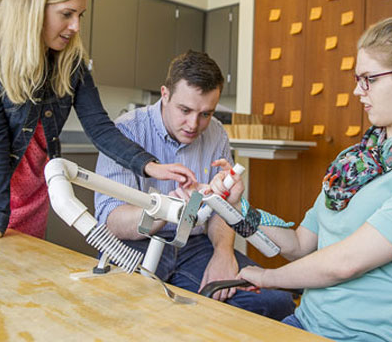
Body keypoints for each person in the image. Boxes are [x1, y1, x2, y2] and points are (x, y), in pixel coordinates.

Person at [211, 17, 392, 341]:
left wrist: (269, 278)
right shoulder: (354, 161)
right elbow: (298, 246)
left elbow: (346, 263)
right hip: (308, 325)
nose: (356, 91)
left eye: (369, 79)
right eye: (357, 79)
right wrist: (238, 207)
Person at [0, 0, 195, 243]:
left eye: (80, 15)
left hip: (33, 184)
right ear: (34, 7)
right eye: (67, 14)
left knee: (25, 273)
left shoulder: (71, 62)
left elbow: (99, 127)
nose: (76, 27)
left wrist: (150, 165)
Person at [94, 50, 295, 320]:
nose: (194, 124)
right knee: (133, 313)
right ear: (164, 94)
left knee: (276, 302)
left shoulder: (216, 134)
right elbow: (111, 220)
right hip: (136, 243)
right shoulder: (126, 131)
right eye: (185, 110)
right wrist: (170, 210)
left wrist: (223, 253)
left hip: (195, 245)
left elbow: (221, 207)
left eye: (206, 114)